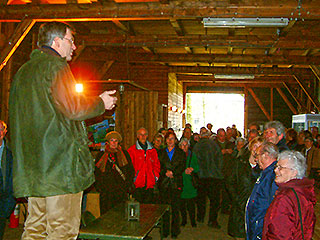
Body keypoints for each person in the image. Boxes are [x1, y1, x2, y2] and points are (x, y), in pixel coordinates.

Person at [9, 22, 117, 239]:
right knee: (63, 231)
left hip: (34, 170)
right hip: (60, 170)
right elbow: (73, 107)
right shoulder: (56, 66)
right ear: (56, 42)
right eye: (71, 41)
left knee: (34, 229)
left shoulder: (23, 72)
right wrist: (100, 102)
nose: (74, 47)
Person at [262, 151, 316, 240]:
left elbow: (278, 234)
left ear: (294, 172)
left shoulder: (284, 198)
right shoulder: (303, 190)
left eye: (281, 168)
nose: (275, 170)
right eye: (276, 166)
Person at [94, 131, 135, 215]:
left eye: (116, 141)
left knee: (120, 214)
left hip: (120, 192)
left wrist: (126, 186)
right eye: (112, 140)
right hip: (106, 192)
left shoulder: (124, 154)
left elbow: (130, 170)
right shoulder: (101, 155)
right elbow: (96, 173)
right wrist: (100, 188)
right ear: (108, 142)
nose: (114, 143)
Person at [245, 142, 279, 240]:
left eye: (257, 156)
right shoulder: (265, 173)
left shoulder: (273, 176)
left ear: (266, 155)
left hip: (261, 229)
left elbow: (271, 206)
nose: (256, 159)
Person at [193, 128, 223, 228]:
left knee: (201, 199)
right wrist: (218, 171)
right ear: (209, 135)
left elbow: (194, 161)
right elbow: (219, 159)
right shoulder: (214, 145)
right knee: (214, 201)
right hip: (214, 176)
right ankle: (212, 220)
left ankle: (200, 217)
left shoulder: (197, 146)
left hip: (201, 177)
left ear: (201, 135)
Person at [158, 132, 186, 239]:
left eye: (172, 138)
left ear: (176, 140)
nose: (170, 141)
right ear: (165, 140)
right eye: (168, 139)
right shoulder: (160, 152)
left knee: (175, 208)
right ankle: (164, 230)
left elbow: (182, 165)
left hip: (176, 182)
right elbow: (157, 166)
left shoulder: (180, 153)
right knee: (164, 208)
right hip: (164, 182)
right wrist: (164, 172)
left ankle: (175, 231)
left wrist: (173, 173)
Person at [227, 137, 253, 239]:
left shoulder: (263, 167)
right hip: (240, 204)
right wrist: (236, 198)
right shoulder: (239, 161)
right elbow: (230, 182)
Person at [128, 127, 160, 203]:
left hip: (150, 184)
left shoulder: (152, 150)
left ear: (147, 136)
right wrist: (133, 179)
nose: (143, 136)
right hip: (137, 185)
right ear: (137, 136)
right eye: (141, 134)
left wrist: (155, 176)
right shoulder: (132, 150)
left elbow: (157, 164)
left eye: (145, 134)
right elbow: (129, 167)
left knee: (149, 209)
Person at [0, 120, 15, 240]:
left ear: (5, 132)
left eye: (1, 129)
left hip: (2, 196)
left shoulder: (11, 152)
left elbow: (11, 180)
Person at [179, 138, 199, 228]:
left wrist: (192, 169)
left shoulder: (192, 155)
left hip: (190, 183)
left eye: (186, 145)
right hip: (181, 182)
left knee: (191, 205)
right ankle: (183, 220)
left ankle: (193, 221)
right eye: (182, 145)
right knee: (182, 205)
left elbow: (198, 166)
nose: (184, 147)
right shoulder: (177, 155)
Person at [215, 128, 234, 214]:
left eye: (224, 136)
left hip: (226, 169)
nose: (222, 138)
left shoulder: (229, 144)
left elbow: (233, 154)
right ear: (217, 135)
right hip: (217, 170)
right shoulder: (214, 144)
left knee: (226, 190)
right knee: (217, 191)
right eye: (221, 136)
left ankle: (224, 207)